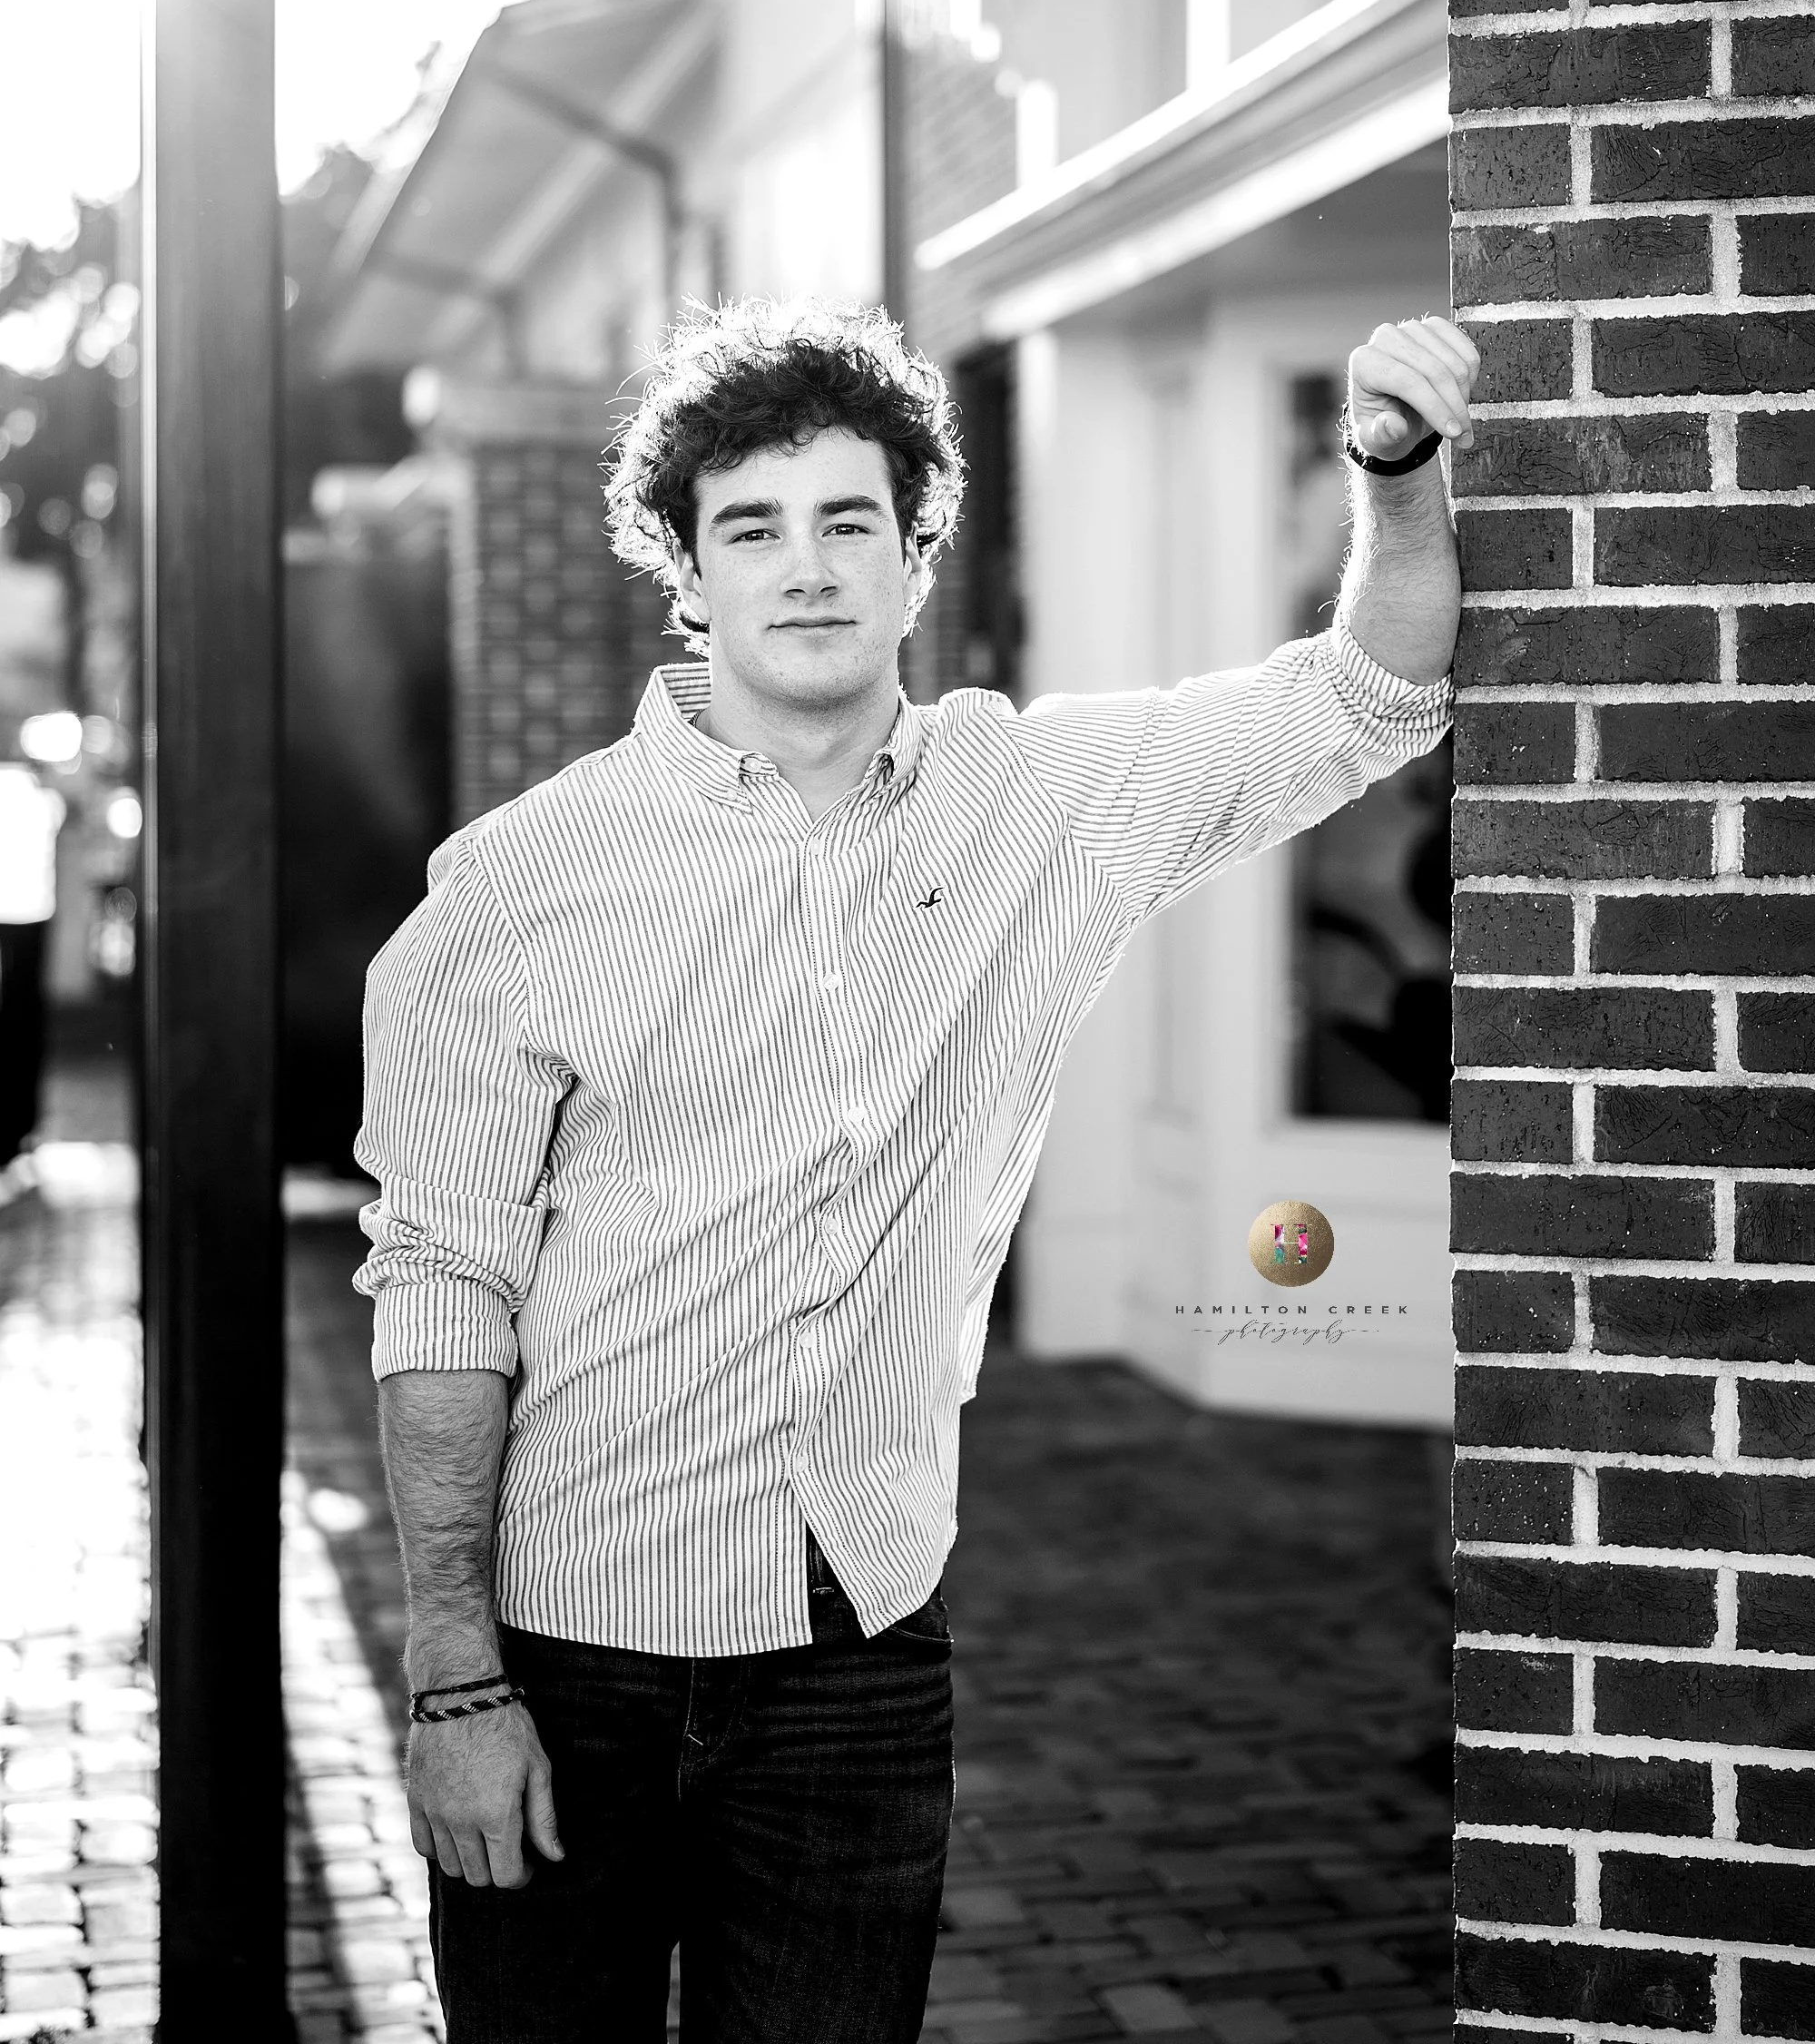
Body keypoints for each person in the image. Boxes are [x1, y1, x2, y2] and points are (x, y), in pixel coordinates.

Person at [353, 295, 1479, 2043]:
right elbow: (445, 1293)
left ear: (917, 550)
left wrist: (1393, 473)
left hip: (859, 1658)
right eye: (753, 528)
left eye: (849, 521)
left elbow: (1372, 690)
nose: (807, 569)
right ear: (686, 571)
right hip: (569, 1656)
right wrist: (452, 1682)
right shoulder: (515, 886)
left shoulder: (1034, 801)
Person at [0, 751, 65, 1182]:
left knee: (20, 1024)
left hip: (27, 919)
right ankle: (19, 1128)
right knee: (22, 1024)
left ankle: (17, 1129)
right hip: (29, 919)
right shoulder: (43, 799)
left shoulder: (38, 800)